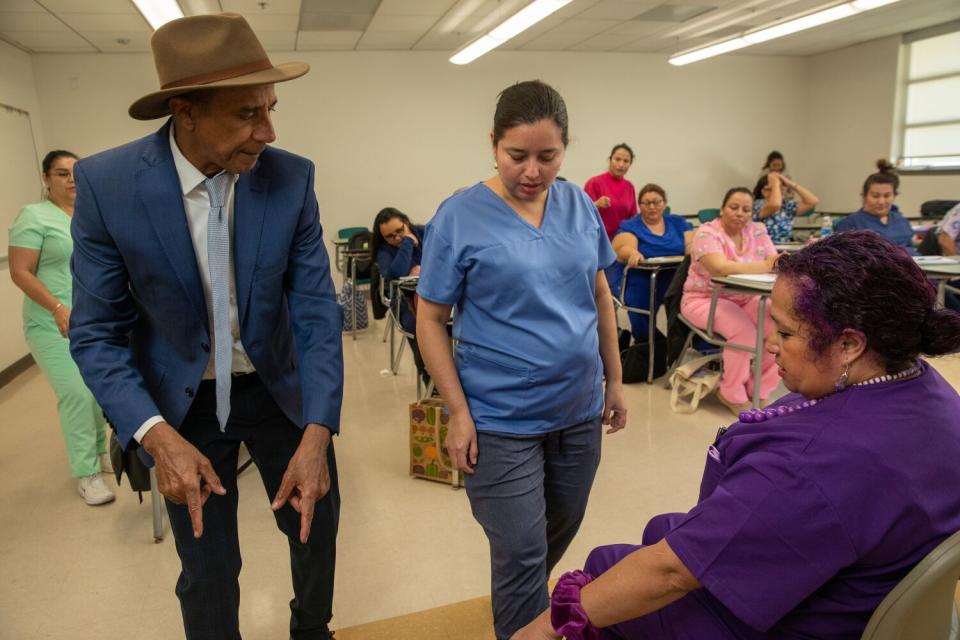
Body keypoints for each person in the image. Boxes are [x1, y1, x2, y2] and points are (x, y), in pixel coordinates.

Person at [513, 231, 960, 640]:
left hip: (795, 617)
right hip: (859, 590)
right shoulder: (929, 389)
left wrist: (550, 625)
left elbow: (671, 574)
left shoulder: (808, 466)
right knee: (648, 543)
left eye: (785, 332)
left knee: (605, 574)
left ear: (849, 344)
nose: (769, 343)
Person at [68, 14, 342, 639]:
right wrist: (154, 436)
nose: (268, 132)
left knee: (314, 530)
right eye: (248, 113)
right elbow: (96, 334)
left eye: (271, 108)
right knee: (207, 567)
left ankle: (311, 630)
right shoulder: (108, 186)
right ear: (185, 112)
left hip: (278, 392)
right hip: (180, 409)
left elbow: (315, 311)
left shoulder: (290, 177)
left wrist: (319, 429)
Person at [416, 80, 627, 640]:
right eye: (517, 156)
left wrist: (616, 379)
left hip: (578, 411)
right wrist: (457, 411)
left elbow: (600, 293)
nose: (532, 170)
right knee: (521, 549)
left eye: (547, 156)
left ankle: (527, 614)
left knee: (550, 539)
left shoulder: (579, 202)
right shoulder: (459, 217)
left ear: (565, 148)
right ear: (493, 144)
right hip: (499, 418)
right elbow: (430, 319)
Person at [7, 150, 114, 505]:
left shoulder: (87, 214)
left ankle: (100, 452)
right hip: (50, 324)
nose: (70, 179)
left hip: (91, 321)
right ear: (45, 179)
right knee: (77, 393)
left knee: (99, 390)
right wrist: (55, 306)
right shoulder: (33, 216)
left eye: (75, 172)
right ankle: (87, 474)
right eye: (61, 173)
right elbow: (20, 272)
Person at [681, 188, 780, 416]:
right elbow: (720, 268)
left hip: (745, 297)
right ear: (722, 209)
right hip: (704, 298)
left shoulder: (757, 231)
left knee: (779, 327)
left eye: (746, 209)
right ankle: (731, 393)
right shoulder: (707, 233)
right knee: (743, 332)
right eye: (733, 207)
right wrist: (764, 266)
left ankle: (760, 389)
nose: (740, 213)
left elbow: (774, 261)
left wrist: (771, 264)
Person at [610, 184, 693, 340]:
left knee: (692, 300)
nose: (652, 207)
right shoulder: (631, 225)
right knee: (639, 302)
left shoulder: (677, 222)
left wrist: (693, 249)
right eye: (646, 203)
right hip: (643, 278)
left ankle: (685, 344)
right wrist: (632, 253)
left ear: (665, 203)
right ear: (639, 205)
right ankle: (647, 343)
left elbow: (691, 243)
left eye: (657, 202)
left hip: (675, 278)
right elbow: (622, 247)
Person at [371, 206, 428, 383]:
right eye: (390, 236)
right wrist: (407, 243)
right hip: (405, 301)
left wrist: (424, 270)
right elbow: (396, 273)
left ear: (407, 222)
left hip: (435, 294)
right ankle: (428, 375)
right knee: (417, 325)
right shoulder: (385, 251)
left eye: (400, 231)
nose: (397, 237)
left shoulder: (426, 232)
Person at [835, 159, 915, 254]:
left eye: (887, 196)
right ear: (864, 196)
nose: (881, 201)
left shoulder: (900, 220)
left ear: (894, 196)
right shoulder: (850, 224)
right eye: (875, 196)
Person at [584, 143, 637, 241]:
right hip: (598, 240)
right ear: (610, 160)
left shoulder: (630, 187)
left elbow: (633, 219)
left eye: (626, 161)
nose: (621, 164)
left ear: (630, 164)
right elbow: (582, 213)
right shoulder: (594, 182)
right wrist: (596, 204)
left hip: (621, 241)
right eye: (617, 159)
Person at [752, 172, 818, 243]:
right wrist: (775, 183)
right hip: (764, 250)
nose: (782, 189)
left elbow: (813, 201)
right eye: (777, 188)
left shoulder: (786, 206)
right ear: (765, 191)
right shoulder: (757, 204)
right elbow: (775, 205)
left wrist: (791, 184)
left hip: (785, 249)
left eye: (783, 186)